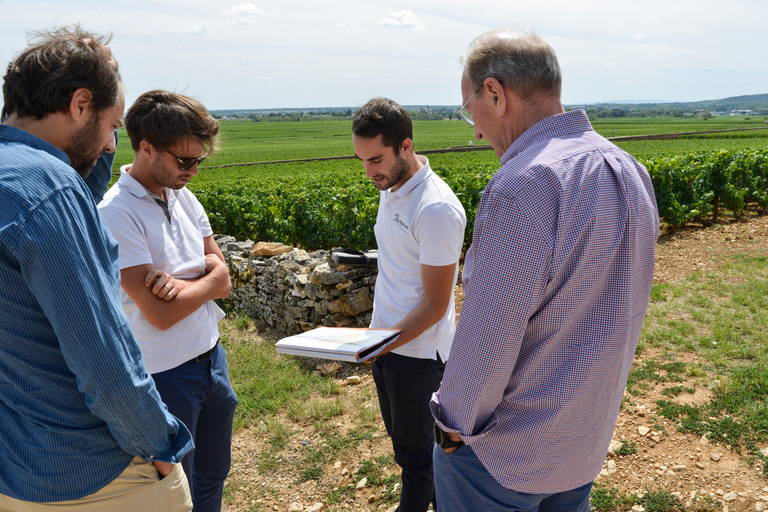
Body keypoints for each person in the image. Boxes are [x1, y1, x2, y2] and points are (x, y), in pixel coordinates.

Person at [429, 27, 660, 512]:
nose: (473, 128)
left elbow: (488, 340)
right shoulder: (630, 169)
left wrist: (450, 427)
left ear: (494, 93)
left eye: (468, 108)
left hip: (503, 458)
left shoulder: (525, 182)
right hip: (583, 442)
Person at [0, 26, 193, 511]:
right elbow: (104, 358)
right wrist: (159, 443)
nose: (113, 142)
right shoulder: (49, 189)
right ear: (80, 103)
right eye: (113, 123)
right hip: (93, 472)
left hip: (16, 465)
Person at [98, 90, 236, 512]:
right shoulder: (115, 213)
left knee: (213, 476)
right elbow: (159, 315)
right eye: (184, 161)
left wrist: (185, 285)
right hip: (165, 375)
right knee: (174, 492)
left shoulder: (183, 196)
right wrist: (208, 278)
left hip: (212, 359)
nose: (193, 170)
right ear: (146, 148)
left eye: (199, 161)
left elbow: (225, 277)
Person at [352, 97, 467, 512]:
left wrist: (378, 344)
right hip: (388, 347)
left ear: (405, 146)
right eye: (362, 160)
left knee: (419, 462)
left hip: (417, 357)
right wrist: (376, 343)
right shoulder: (394, 185)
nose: (369, 171)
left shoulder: (434, 209)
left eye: (376, 159)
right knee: (409, 453)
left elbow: (437, 304)